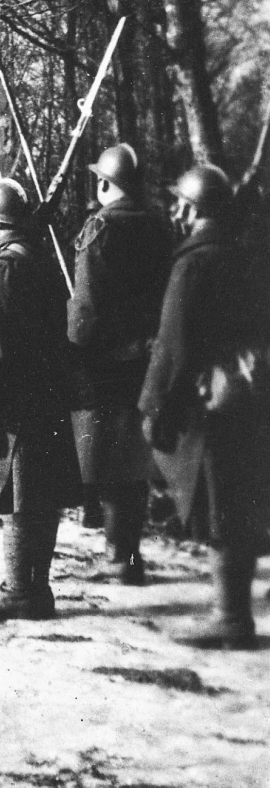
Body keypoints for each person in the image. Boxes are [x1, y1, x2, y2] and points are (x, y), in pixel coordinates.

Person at [140, 163, 268, 649]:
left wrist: (155, 408)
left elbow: (173, 347)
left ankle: (231, 618)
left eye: (179, 204)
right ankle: (233, 613)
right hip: (253, 393)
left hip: (214, 399)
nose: (174, 211)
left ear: (192, 209)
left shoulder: (192, 262)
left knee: (220, 505)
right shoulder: (248, 254)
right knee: (240, 501)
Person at [0, 180, 80, 621]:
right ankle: (38, 589)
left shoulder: (2, 269)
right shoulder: (41, 260)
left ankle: (18, 591)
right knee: (41, 496)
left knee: (18, 498)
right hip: (48, 396)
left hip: (16, 403)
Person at [66, 144, 171, 584]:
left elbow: (86, 306)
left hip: (104, 359)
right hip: (148, 354)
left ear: (106, 184)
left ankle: (118, 557)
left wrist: (74, 345)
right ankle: (129, 554)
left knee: (107, 456)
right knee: (133, 455)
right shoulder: (160, 224)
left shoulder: (102, 227)